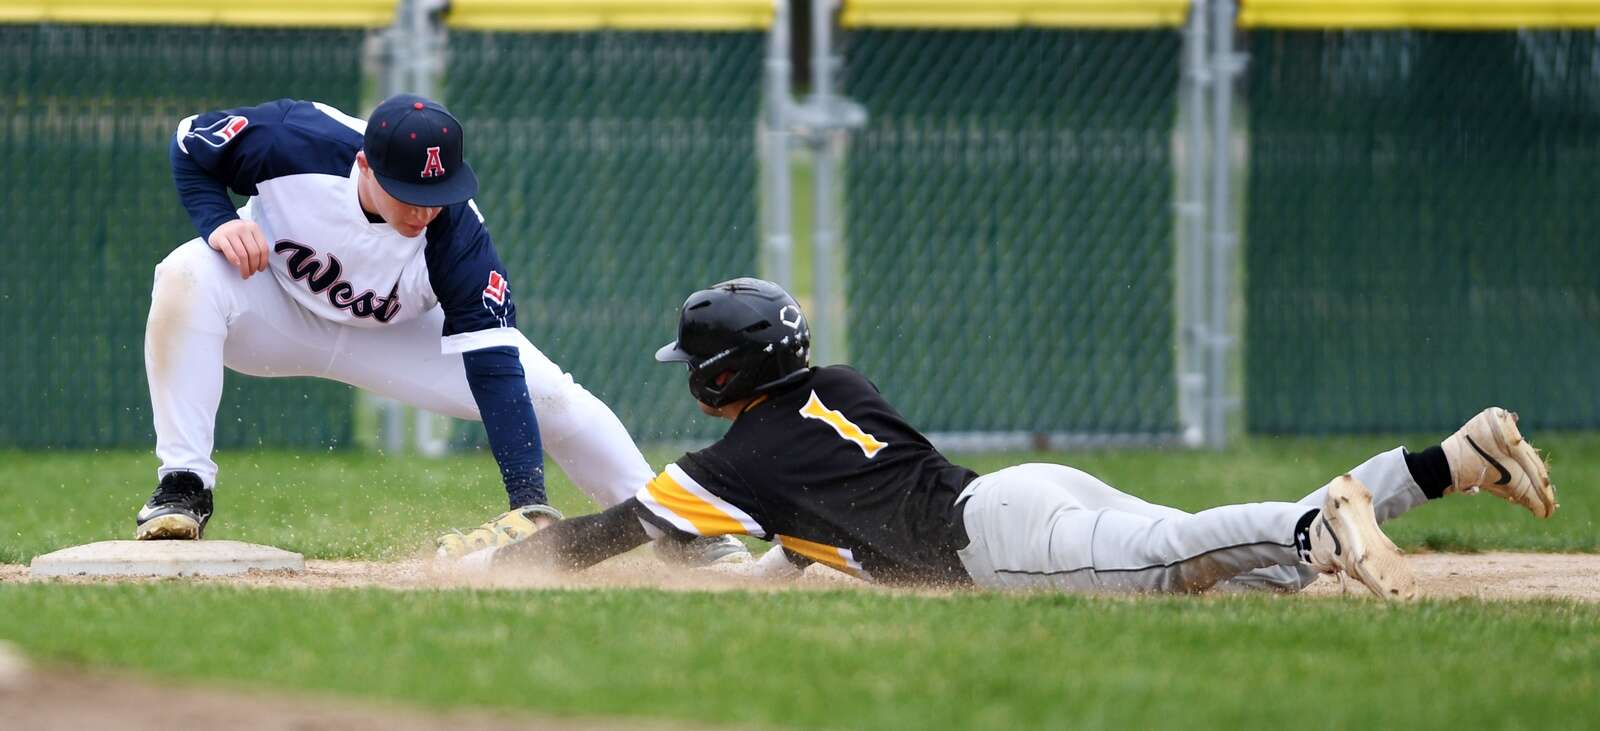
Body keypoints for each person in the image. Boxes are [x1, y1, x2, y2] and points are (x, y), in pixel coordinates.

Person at [470, 277, 1557, 598]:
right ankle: (1449, 461)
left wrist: (491, 566)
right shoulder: (836, 386)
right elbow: (817, 522)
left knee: (1178, 560)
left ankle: (1322, 521)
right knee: (1246, 575)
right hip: (1021, 492)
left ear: (722, 377)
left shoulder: (734, 461)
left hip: (994, 545)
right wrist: (767, 566)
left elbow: (611, 531)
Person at [134, 94, 746, 565]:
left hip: (398, 336)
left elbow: (494, 367)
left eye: (438, 191)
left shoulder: (457, 233)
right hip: (273, 311)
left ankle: (677, 531)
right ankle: (183, 484)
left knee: (554, 397)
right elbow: (190, 142)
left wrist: (528, 501)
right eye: (408, 193)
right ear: (365, 164)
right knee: (186, 272)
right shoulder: (293, 140)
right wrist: (216, 219)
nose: (425, 208)